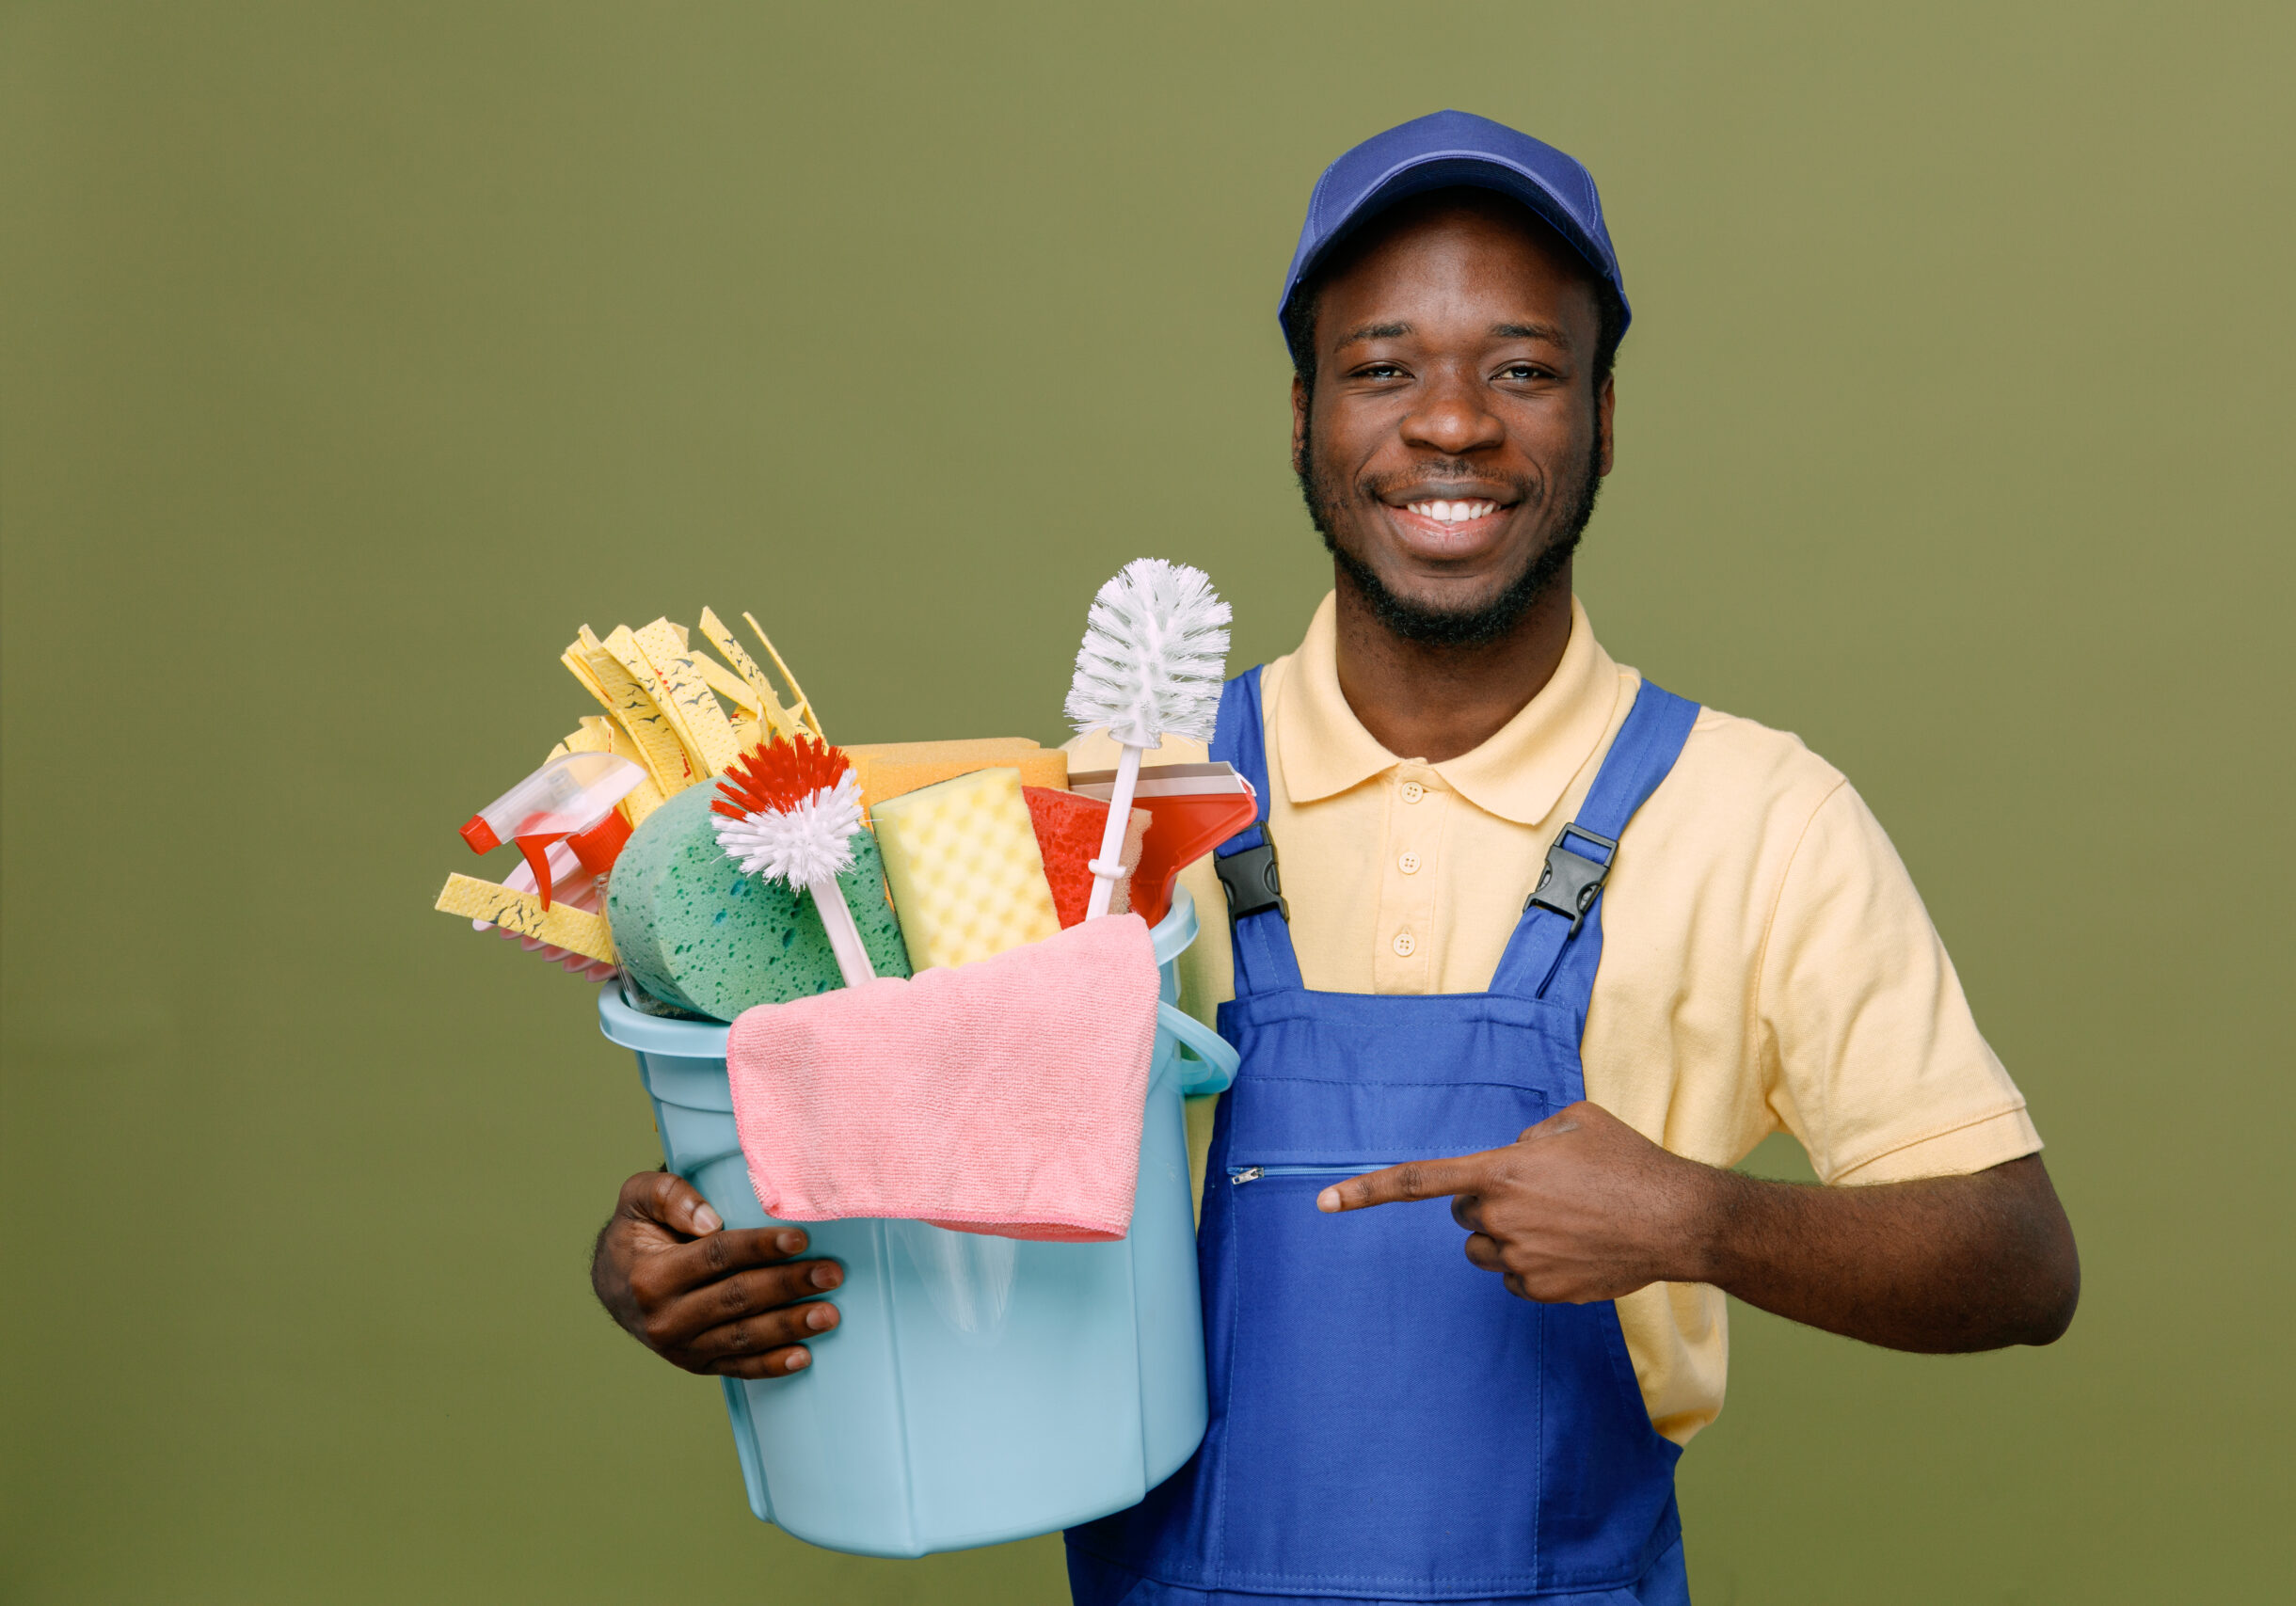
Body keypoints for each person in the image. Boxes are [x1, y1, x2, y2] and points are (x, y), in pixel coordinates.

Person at [589, 111, 2080, 1605]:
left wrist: (1700, 1219)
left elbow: (2018, 1261)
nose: (1451, 424)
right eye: (1382, 369)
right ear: (1300, 415)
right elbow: (909, 1165)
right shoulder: (1112, 822)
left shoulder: (1760, 815)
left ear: (1604, 418)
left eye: (1522, 370)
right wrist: (693, 1252)